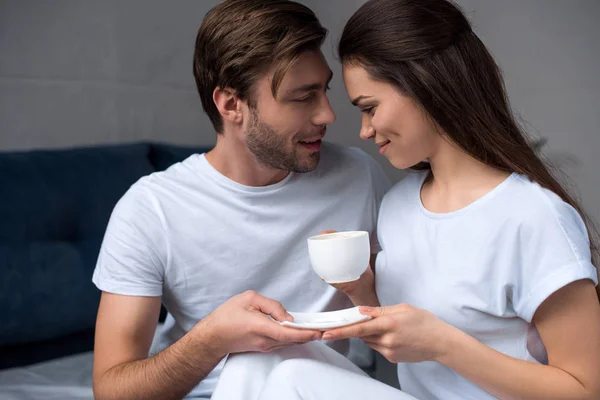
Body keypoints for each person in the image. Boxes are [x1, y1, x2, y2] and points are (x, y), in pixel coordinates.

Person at [213, 0, 600, 399]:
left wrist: (445, 345)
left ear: (425, 85)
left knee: (292, 383)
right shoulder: (399, 206)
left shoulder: (532, 216)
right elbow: (408, 344)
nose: (364, 130)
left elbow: (585, 390)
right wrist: (360, 290)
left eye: (370, 108)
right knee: (252, 356)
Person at [90, 1, 391, 399]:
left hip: (320, 385)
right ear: (231, 105)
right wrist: (214, 339)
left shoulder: (359, 176)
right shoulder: (151, 210)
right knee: (251, 361)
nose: (328, 115)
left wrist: (366, 292)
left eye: (324, 90)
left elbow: (407, 321)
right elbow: (112, 390)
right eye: (302, 97)